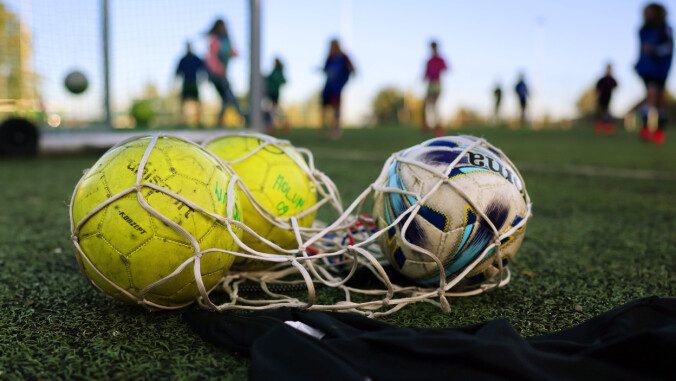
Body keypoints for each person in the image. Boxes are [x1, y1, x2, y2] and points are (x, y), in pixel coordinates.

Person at [635, 2, 673, 144]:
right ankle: (645, 130)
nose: (647, 14)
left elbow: (668, 47)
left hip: (661, 68)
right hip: (648, 69)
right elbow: (642, 50)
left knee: (660, 99)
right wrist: (639, 63)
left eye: (650, 11)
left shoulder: (665, 29)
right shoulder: (643, 30)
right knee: (651, 93)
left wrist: (655, 49)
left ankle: (659, 131)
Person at [205, 19, 244, 127]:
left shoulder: (227, 40)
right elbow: (211, 58)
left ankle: (220, 122)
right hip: (216, 74)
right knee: (230, 96)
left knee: (226, 98)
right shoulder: (214, 40)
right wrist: (217, 70)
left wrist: (235, 53)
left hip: (222, 73)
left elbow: (232, 52)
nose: (224, 28)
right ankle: (241, 117)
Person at [321, 39, 355, 139]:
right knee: (323, 108)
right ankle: (324, 128)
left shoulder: (343, 57)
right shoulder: (329, 58)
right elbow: (325, 70)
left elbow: (352, 68)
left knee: (336, 109)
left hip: (337, 87)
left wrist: (344, 78)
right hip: (328, 86)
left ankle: (336, 129)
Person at [175, 42, 205, 126]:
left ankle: (198, 121)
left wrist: (203, 79)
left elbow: (203, 68)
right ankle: (182, 121)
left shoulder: (196, 58)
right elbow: (177, 72)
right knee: (183, 103)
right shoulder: (183, 59)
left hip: (194, 83)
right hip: (186, 83)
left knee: (197, 102)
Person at [423, 40, 449, 135]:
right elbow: (425, 73)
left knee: (435, 106)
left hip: (437, 84)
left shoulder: (439, 59)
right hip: (430, 84)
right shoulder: (429, 60)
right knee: (428, 105)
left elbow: (446, 68)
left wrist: (438, 70)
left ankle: (438, 127)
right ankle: (430, 126)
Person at [263, 57, 288, 133]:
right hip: (271, 93)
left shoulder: (278, 72)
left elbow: (284, 81)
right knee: (272, 110)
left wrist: (276, 83)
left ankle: (282, 124)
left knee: (273, 110)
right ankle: (272, 126)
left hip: (274, 93)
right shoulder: (275, 71)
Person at [594, 64, 618, 135]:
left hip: (608, 100)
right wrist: (596, 99)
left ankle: (609, 130)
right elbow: (597, 90)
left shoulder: (612, 80)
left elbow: (616, 86)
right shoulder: (602, 80)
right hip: (601, 99)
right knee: (600, 115)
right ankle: (599, 130)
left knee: (607, 115)